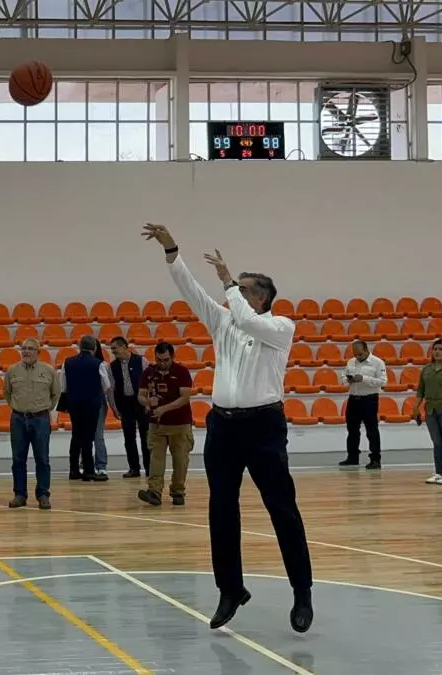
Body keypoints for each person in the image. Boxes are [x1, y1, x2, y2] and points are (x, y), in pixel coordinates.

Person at [144, 222, 313, 633]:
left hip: (264, 426)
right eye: (234, 286)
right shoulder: (223, 322)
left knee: (282, 508)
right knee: (221, 508)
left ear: (261, 297)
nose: (232, 291)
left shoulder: (280, 327)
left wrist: (226, 281)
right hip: (223, 426)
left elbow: (249, 321)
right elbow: (191, 291)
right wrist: (172, 251)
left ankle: (302, 591)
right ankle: (230, 589)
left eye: (242, 288)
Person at [3, 338, 60, 510]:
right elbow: (7, 393)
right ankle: (20, 495)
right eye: (24, 349)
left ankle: (43, 494)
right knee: (18, 459)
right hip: (18, 419)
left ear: (38, 352)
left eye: (30, 349)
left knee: (42, 458)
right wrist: (19, 408)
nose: (26, 352)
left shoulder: (49, 371)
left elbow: (55, 394)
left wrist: (43, 409)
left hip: (40, 419)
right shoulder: (12, 371)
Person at [135, 341, 194, 507]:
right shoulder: (148, 373)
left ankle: (178, 491)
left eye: (166, 359)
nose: (162, 363)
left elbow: (185, 397)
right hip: (156, 425)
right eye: (159, 360)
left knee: (180, 460)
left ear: (173, 357)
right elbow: (140, 395)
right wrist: (147, 401)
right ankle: (154, 491)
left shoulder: (182, 372)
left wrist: (164, 409)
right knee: (156, 458)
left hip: (180, 424)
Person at [61, 336, 108, 481]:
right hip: (92, 403)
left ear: (79, 347)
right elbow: (106, 385)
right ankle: (89, 470)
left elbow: (63, 385)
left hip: (74, 402)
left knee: (76, 434)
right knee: (88, 436)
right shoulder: (99, 363)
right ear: (94, 348)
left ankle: (74, 469)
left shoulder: (68, 362)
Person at [340, 339, 385, 470]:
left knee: (372, 430)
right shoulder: (350, 362)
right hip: (353, 399)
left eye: (360, 354)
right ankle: (352, 457)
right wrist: (347, 380)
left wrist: (364, 379)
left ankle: (375, 459)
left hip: (369, 400)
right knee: (352, 430)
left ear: (366, 350)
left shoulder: (377, 362)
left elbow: (382, 382)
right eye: (355, 354)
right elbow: (342, 377)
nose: (357, 357)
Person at [109, 336, 150, 478]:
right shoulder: (112, 366)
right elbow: (112, 389)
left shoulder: (141, 361)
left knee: (146, 436)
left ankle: (149, 467)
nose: (113, 351)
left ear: (124, 347)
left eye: (115, 348)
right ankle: (134, 468)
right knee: (128, 437)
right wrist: (115, 408)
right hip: (125, 404)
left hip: (141, 403)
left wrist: (148, 403)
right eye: (112, 349)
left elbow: (149, 383)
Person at [413, 339, 442, 484]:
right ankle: (439, 472)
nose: (437, 352)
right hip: (431, 409)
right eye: (435, 349)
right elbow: (420, 390)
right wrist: (416, 407)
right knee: (437, 442)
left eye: (441, 349)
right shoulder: (427, 369)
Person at [92, 347, 114, 481]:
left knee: (98, 435)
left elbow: (108, 387)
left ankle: (101, 466)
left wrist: (114, 407)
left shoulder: (103, 365)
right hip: (85, 404)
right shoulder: (77, 364)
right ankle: (86, 464)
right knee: (86, 435)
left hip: (99, 403)